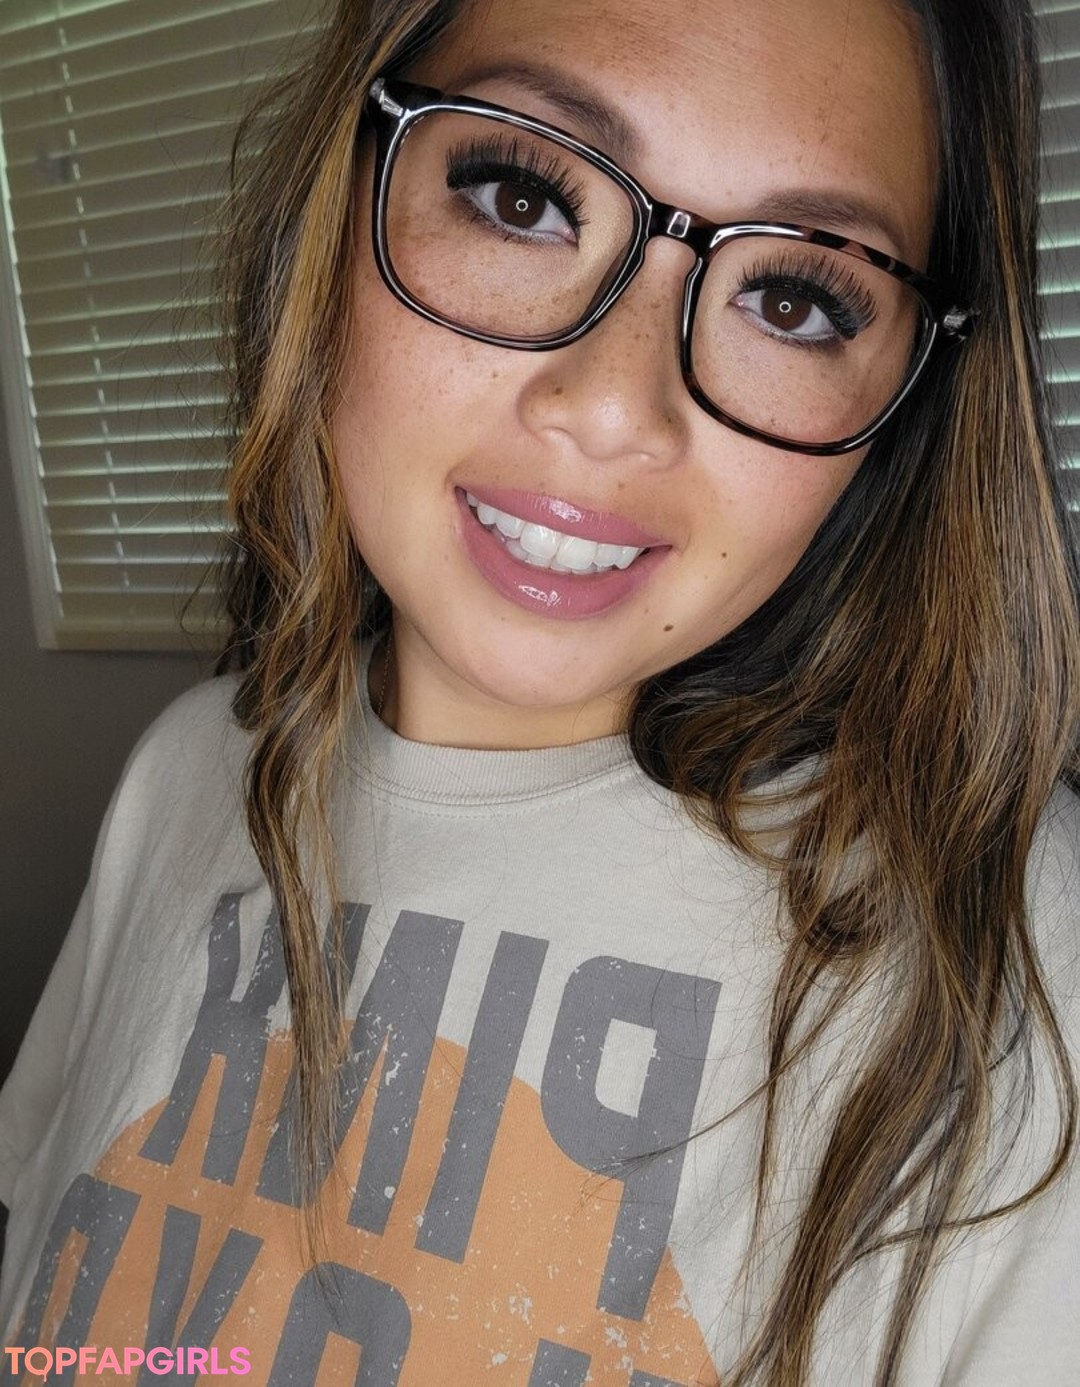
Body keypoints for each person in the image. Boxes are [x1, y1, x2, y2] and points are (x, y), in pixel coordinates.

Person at [1, 0, 1077, 1382]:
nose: (614, 405)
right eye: (522, 197)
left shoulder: (1014, 961)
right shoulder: (185, 773)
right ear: (343, 189)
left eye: (792, 299)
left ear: (909, 400)